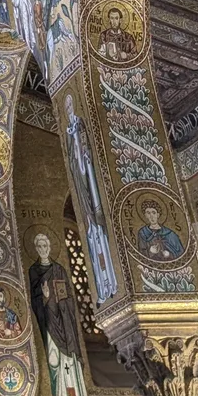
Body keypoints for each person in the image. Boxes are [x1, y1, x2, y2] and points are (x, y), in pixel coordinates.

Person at [28, 233, 91, 396]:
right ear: (36, 249)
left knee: (72, 366)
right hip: (49, 325)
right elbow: (35, 299)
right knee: (54, 364)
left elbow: (69, 297)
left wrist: (62, 302)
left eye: (45, 244)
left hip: (66, 325)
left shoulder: (59, 269)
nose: (43, 248)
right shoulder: (34, 271)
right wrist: (45, 297)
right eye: (39, 246)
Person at [65, 95, 118, 302]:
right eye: (67, 106)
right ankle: (103, 288)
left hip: (92, 181)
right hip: (82, 184)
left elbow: (87, 152)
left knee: (101, 226)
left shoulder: (81, 125)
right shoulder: (70, 134)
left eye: (70, 105)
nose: (69, 108)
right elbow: (71, 160)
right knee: (92, 229)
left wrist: (84, 153)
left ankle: (112, 284)